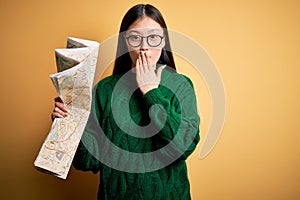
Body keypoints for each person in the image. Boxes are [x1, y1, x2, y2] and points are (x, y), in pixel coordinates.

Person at [52, 4, 200, 200]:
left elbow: (184, 147)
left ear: (164, 41)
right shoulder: (105, 90)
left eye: (154, 37)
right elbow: (87, 161)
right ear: (125, 43)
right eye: (135, 37)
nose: (144, 46)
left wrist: (150, 92)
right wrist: (67, 123)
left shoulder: (181, 85)